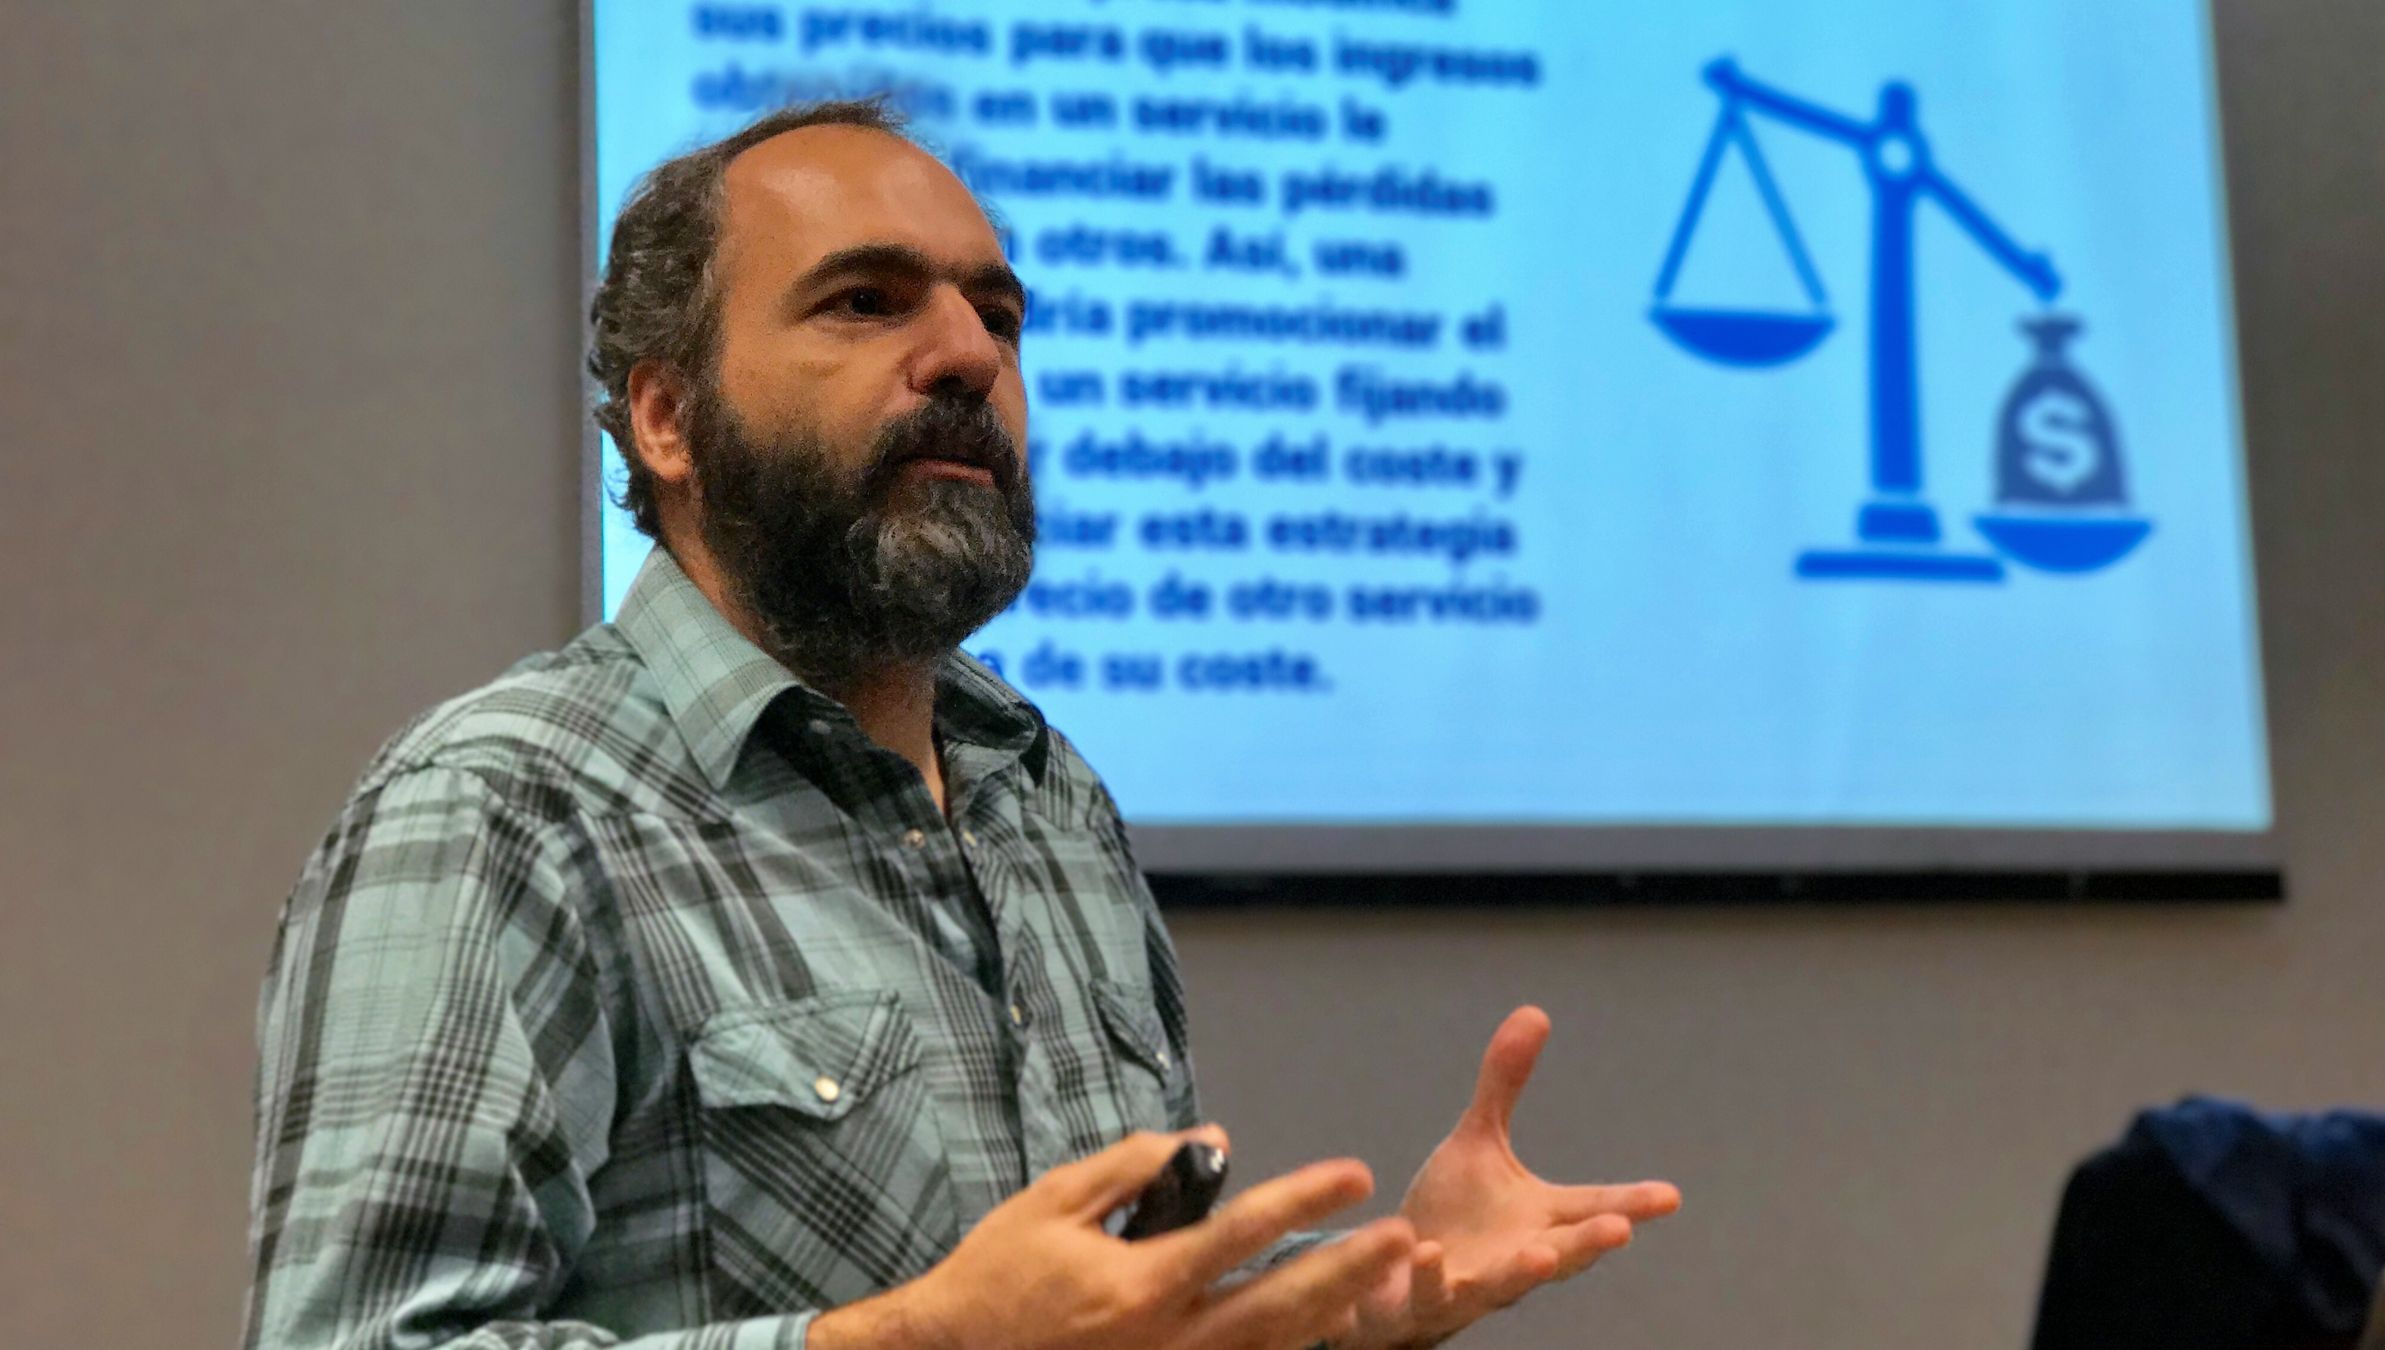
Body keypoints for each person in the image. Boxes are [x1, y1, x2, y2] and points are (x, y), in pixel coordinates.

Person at [241, 98, 1681, 1350]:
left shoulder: (1043, 796)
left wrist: (1357, 1298)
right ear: (668, 418)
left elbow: (1099, 1316)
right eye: (866, 301)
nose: (966, 355)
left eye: (996, 315)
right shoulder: (500, 813)